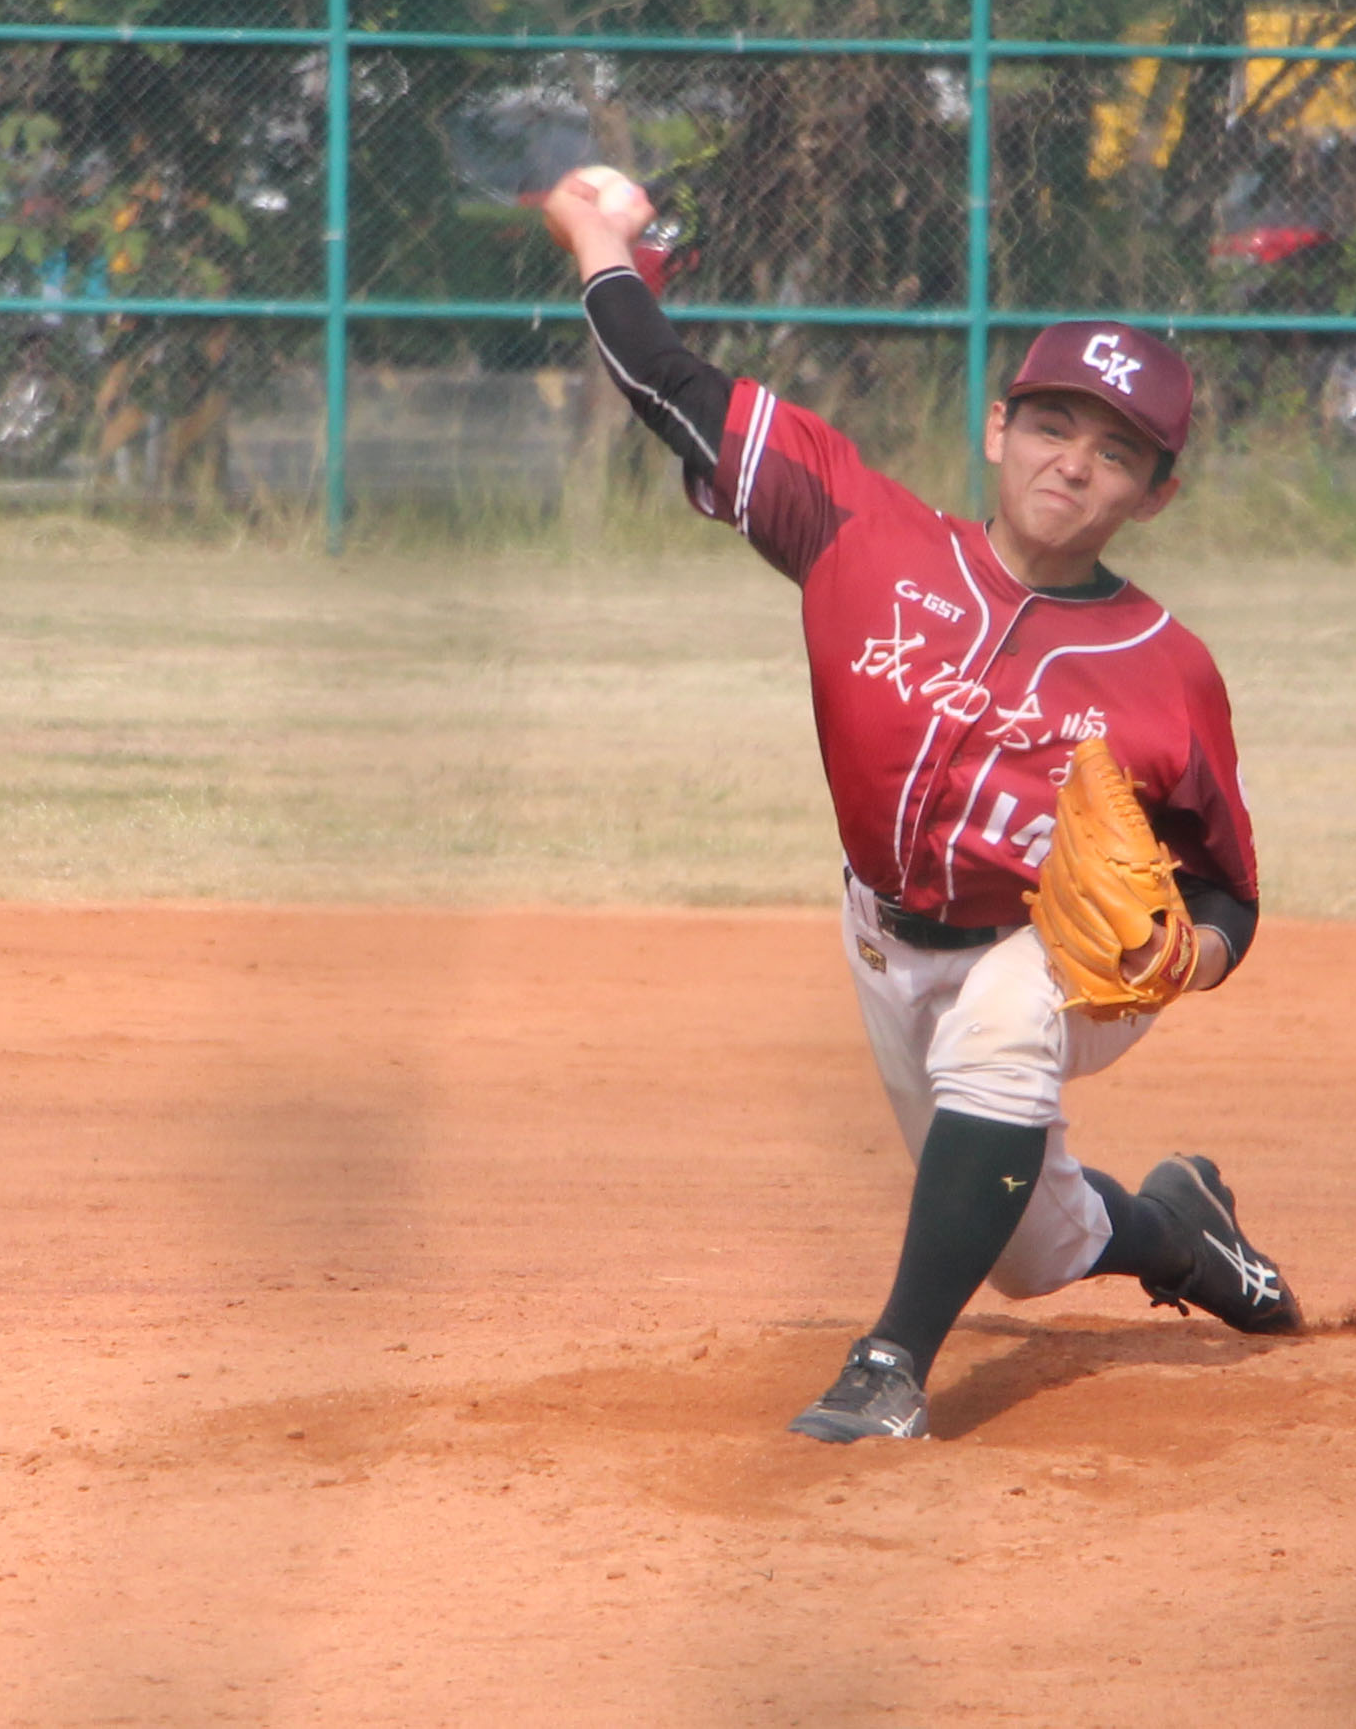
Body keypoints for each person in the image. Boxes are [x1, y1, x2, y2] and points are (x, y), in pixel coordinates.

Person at [536, 164, 1302, 1446]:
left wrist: (1199, 953)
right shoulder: (861, 531)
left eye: (1118, 452)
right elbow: (669, 386)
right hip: (884, 935)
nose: (1076, 464)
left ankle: (889, 1363)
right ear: (999, 429)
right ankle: (1183, 1230)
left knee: (1005, 1020)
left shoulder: (1170, 667)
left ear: (1154, 494)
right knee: (1032, 1249)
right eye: (1055, 427)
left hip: (1056, 953)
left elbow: (1228, 882)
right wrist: (602, 245)